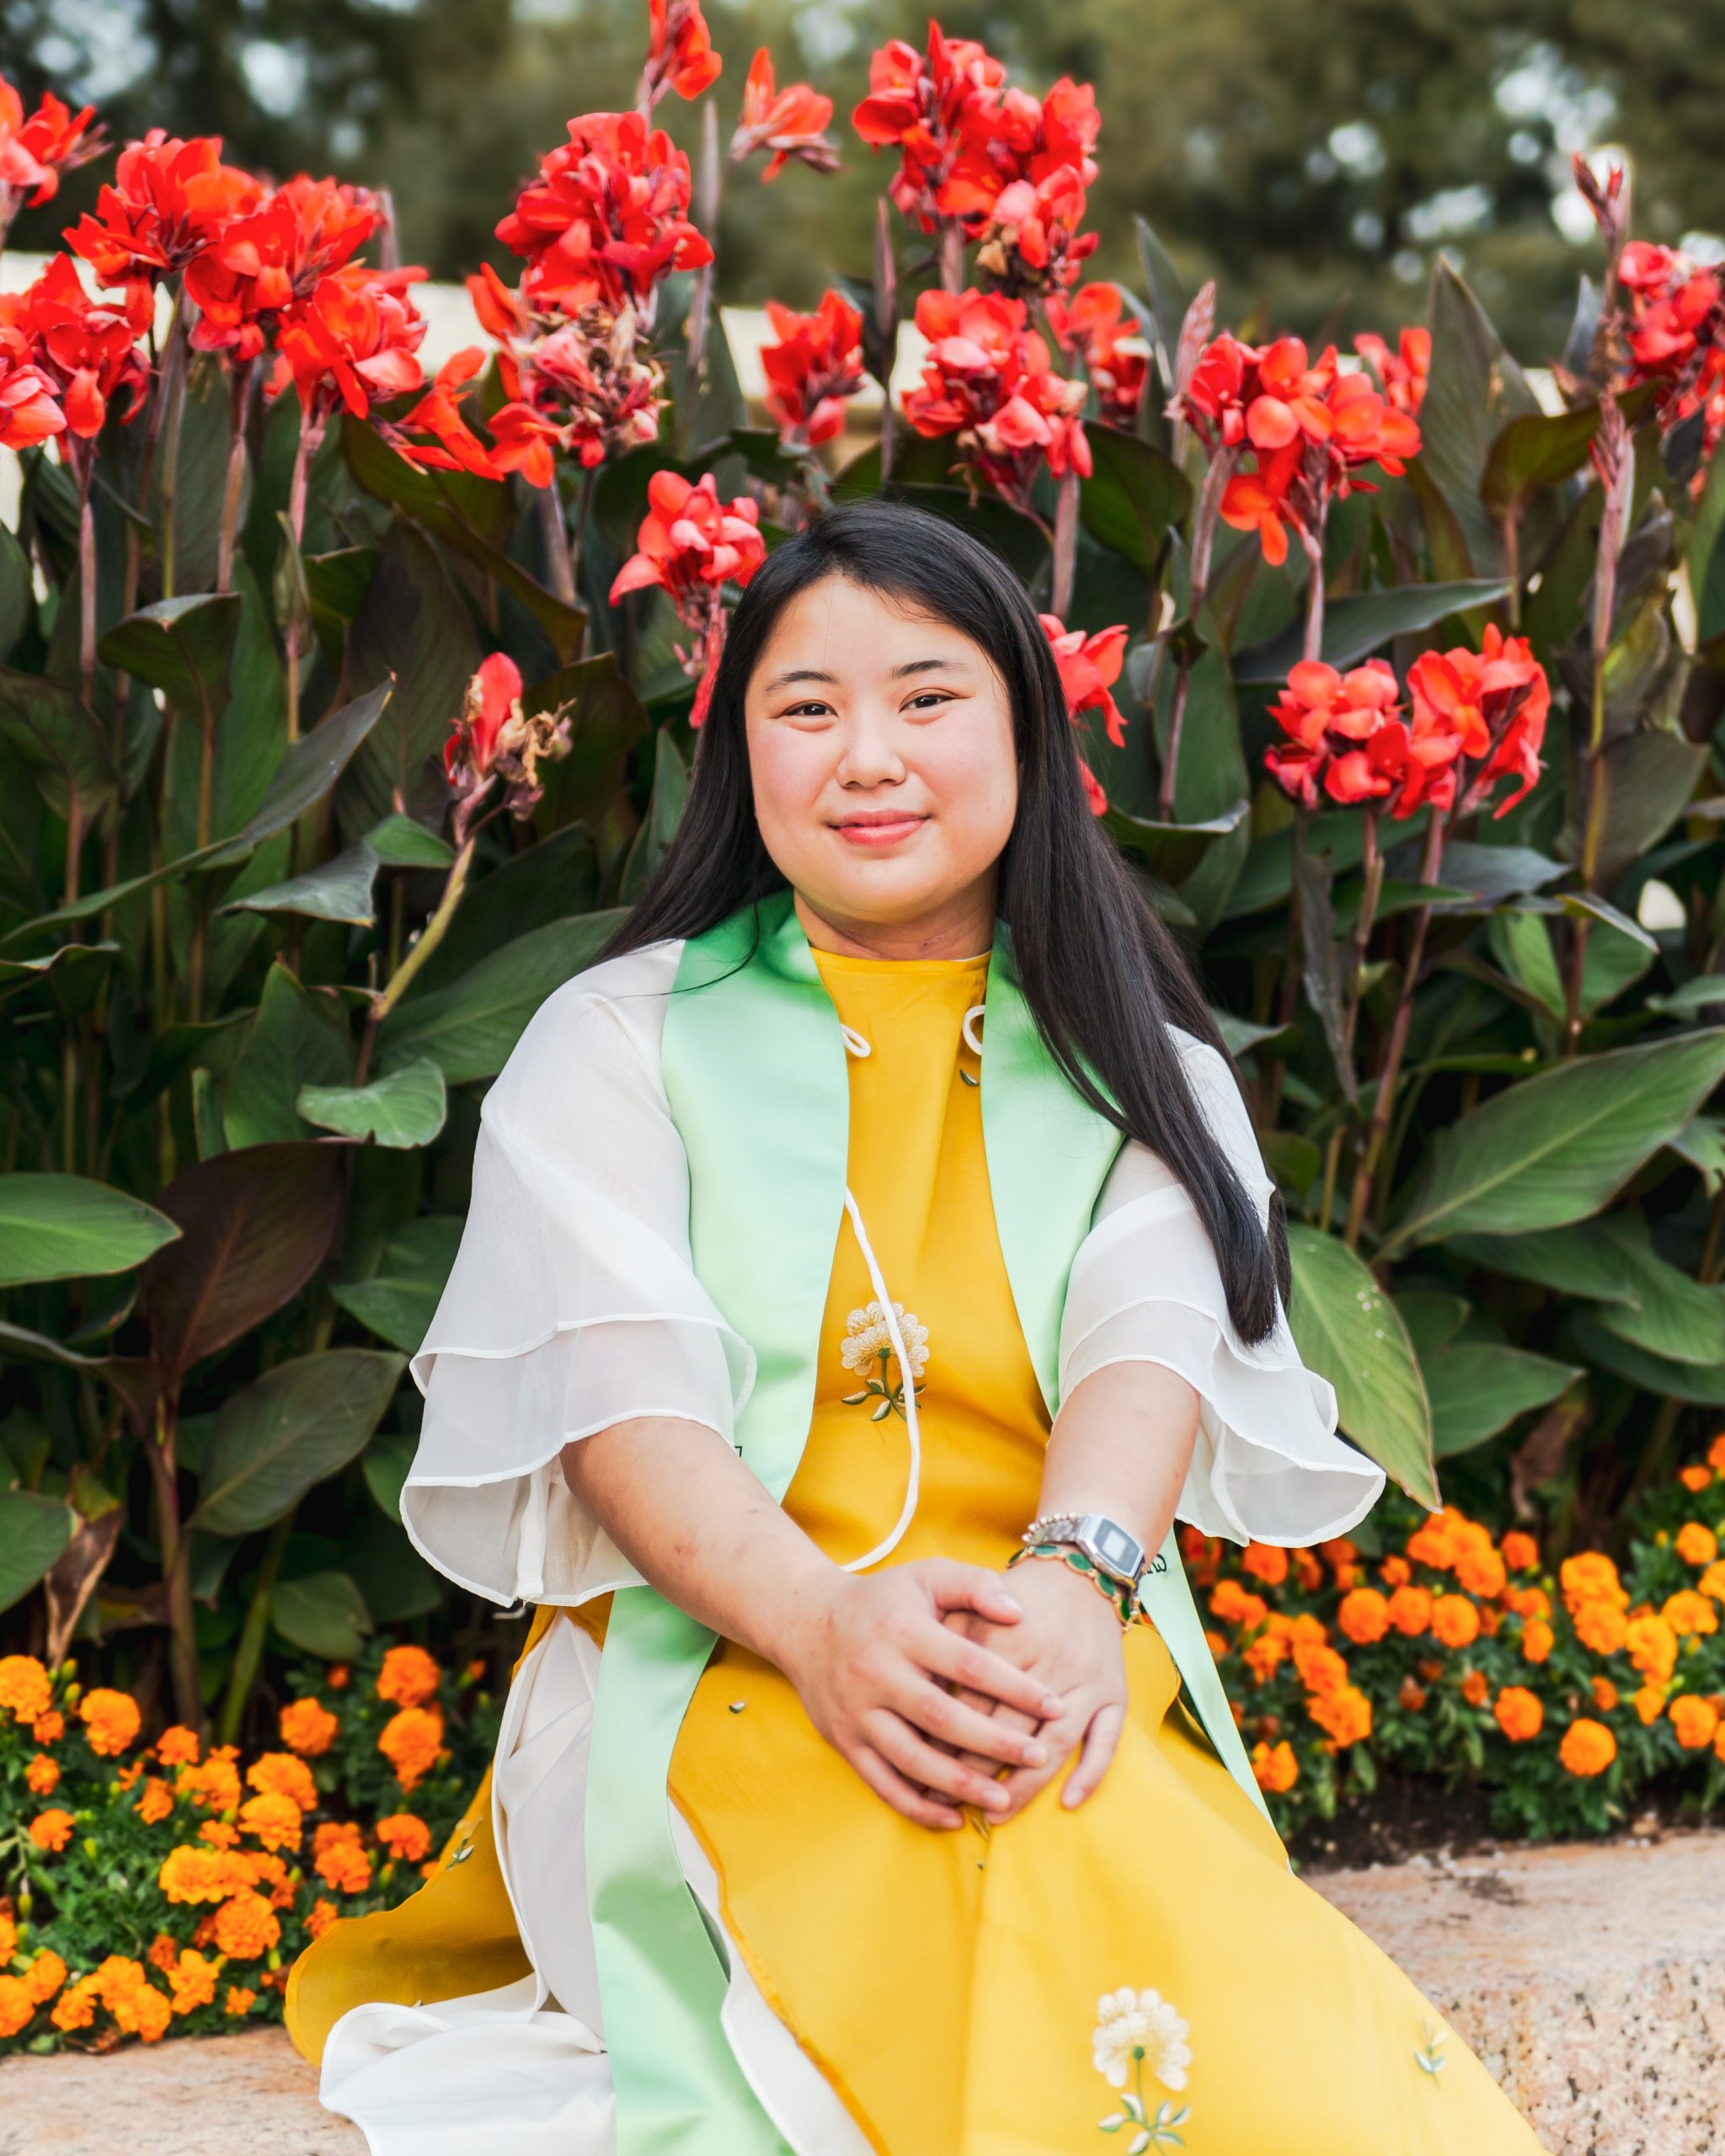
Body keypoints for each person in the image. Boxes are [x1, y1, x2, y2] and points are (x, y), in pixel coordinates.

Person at [286, 500, 1546, 2155]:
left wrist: (1075, 1590)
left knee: (1243, 2022)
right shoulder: (615, 1043)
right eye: (804, 708)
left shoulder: (1137, 1062)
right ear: (742, 756)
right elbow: (622, 1408)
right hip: (713, 1669)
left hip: (1048, 1659)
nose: (864, 752)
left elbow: (1144, 1349)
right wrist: (823, 1627)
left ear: (1027, 725)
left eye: (926, 696)